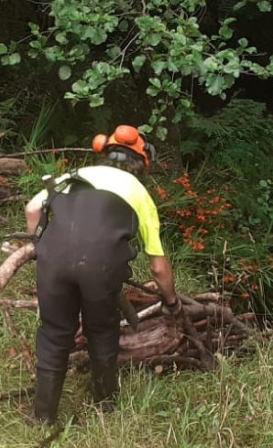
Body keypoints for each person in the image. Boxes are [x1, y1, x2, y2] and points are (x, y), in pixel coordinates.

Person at [24, 124, 181, 423]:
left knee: (54, 333)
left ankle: (42, 416)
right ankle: (105, 406)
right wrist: (171, 301)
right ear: (143, 162)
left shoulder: (76, 175)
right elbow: (158, 266)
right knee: (102, 331)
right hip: (102, 268)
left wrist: (41, 248)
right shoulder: (138, 192)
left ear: (104, 152)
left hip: (53, 261)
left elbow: (33, 210)